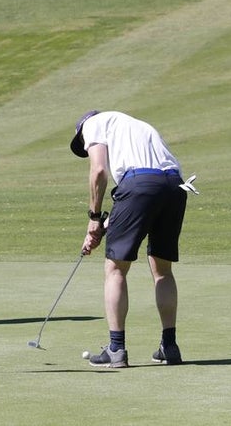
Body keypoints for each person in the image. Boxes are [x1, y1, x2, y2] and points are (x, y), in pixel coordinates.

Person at [71, 110, 188, 368]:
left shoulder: (92, 124)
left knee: (115, 269)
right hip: (175, 187)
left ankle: (116, 349)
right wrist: (104, 225)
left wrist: (93, 217)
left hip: (140, 186)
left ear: (82, 132)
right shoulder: (136, 126)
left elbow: (100, 171)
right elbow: (145, 185)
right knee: (162, 270)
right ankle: (169, 346)